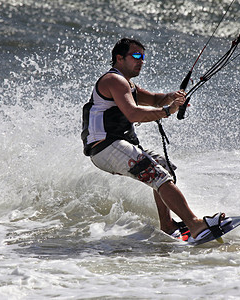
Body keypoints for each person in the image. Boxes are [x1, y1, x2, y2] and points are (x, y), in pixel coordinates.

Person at [81, 38, 228, 242]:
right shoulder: (113, 80)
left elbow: (154, 99)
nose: (141, 61)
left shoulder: (128, 84)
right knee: (160, 177)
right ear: (119, 58)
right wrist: (168, 111)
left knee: (164, 168)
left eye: (143, 57)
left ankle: (168, 226)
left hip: (115, 147)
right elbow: (133, 113)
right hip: (106, 147)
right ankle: (194, 225)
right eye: (136, 56)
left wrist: (172, 97)